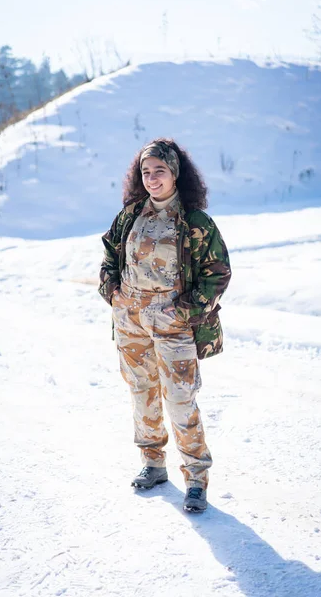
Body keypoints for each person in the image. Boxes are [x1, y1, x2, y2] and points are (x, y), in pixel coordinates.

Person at [99, 139, 231, 513]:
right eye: (146, 172)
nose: (152, 178)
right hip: (130, 318)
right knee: (142, 390)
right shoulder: (130, 215)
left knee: (180, 397)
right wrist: (113, 293)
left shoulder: (194, 221)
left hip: (172, 319)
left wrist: (186, 311)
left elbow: (217, 273)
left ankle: (195, 478)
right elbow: (109, 256)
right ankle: (153, 463)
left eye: (160, 170)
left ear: (175, 173)